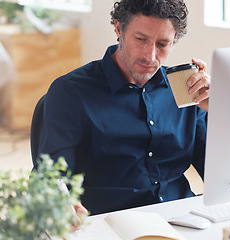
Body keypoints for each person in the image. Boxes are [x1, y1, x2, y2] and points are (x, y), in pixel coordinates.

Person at [36, 0, 210, 216]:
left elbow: (221, 175)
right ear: (119, 29)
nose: (150, 56)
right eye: (140, 39)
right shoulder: (71, 92)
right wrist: (61, 203)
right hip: (110, 221)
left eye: (162, 44)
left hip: (182, 216)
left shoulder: (185, 90)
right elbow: (51, 175)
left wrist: (219, 111)